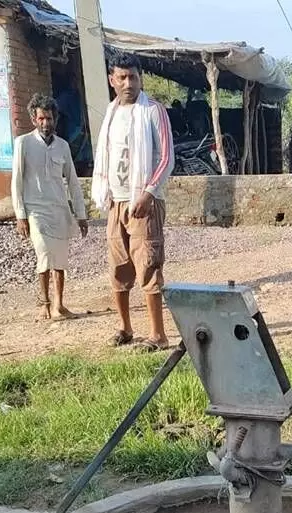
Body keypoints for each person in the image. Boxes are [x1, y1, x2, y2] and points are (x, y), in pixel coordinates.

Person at [91, 53, 175, 352]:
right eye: (122, 77)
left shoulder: (153, 111)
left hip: (144, 201)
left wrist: (148, 193)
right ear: (112, 80)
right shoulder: (112, 113)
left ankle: (158, 334)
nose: (128, 83)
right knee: (119, 266)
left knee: (148, 265)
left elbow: (166, 158)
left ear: (141, 79)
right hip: (116, 200)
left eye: (133, 77)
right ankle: (125, 327)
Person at [11, 93, 89, 320]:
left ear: (55, 119)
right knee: (44, 254)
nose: (46, 123)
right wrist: (20, 215)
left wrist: (81, 215)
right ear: (34, 120)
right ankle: (44, 302)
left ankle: (60, 304)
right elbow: (16, 181)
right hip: (35, 210)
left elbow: (73, 182)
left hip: (59, 210)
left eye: (50, 118)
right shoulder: (23, 144)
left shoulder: (63, 146)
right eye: (42, 119)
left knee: (60, 260)